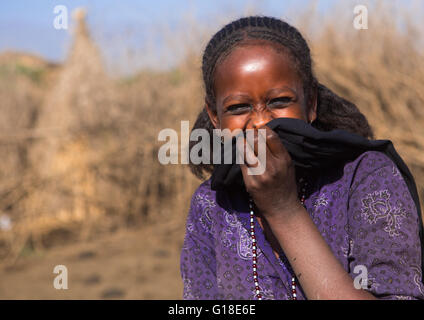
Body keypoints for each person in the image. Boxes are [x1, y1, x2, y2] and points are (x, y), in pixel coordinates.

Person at [180, 15, 424, 300]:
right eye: (238, 107)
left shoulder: (365, 176)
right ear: (215, 117)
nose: (260, 123)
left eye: (280, 101)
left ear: (311, 104)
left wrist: (282, 208)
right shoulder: (212, 204)